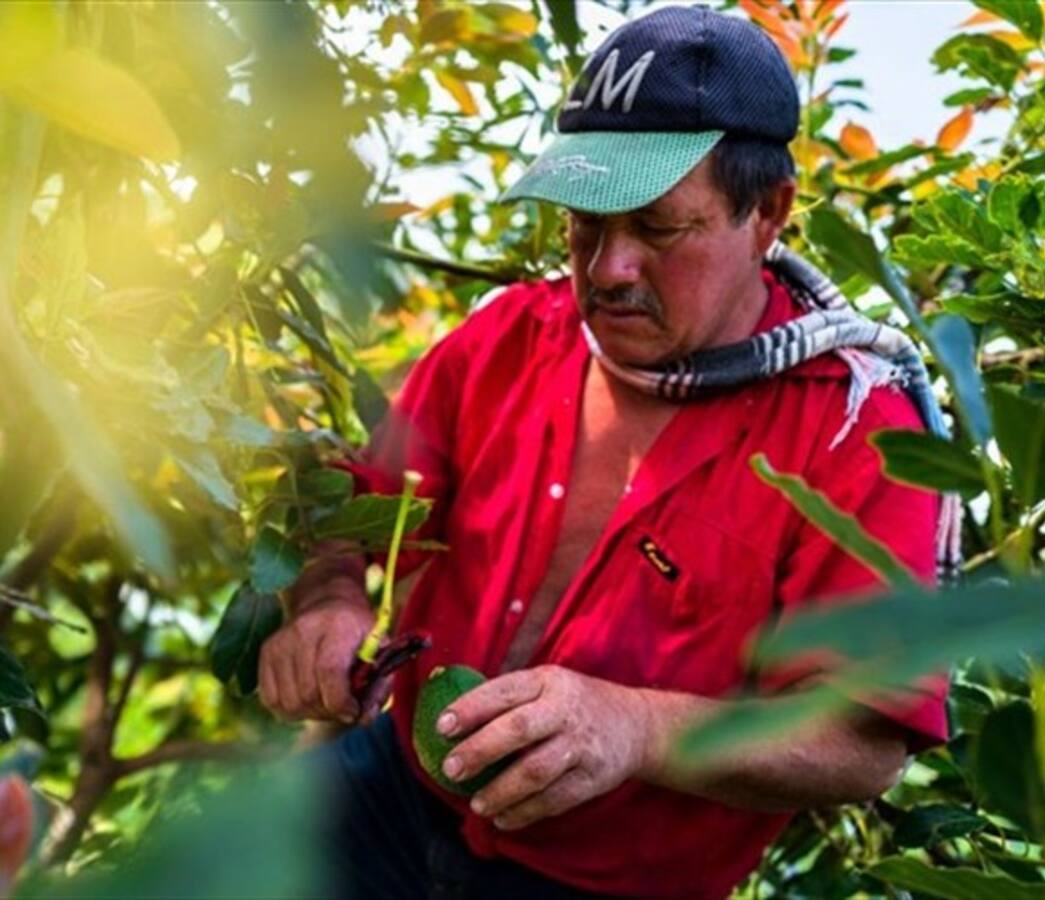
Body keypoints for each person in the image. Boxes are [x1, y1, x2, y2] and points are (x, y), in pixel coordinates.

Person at [260, 7, 952, 899]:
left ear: (768, 212)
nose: (608, 267)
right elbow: (350, 503)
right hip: (385, 794)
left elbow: (862, 745)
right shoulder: (510, 336)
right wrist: (326, 597)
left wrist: (636, 728)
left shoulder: (855, 429)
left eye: (659, 228)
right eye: (585, 223)